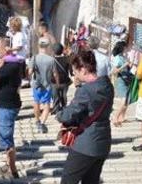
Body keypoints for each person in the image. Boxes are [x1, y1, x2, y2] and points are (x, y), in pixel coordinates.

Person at [57, 50, 113, 184]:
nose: (74, 75)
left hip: (85, 144)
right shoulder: (107, 84)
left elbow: (68, 115)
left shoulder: (85, 91)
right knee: (91, 180)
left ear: (83, 70)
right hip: (103, 142)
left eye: (75, 72)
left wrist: (60, 114)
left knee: (68, 180)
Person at [0, 36, 24, 179]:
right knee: (7, 136)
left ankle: (11, 168)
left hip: (7, 105)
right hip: (10, 102)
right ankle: (10, 167)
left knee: (5, 138)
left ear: (6, 49)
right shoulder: (16, 62)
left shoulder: (9, 66)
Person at [29, 41, 56, 133]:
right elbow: (55, 74)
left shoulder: (34, 58)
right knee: (47, 104)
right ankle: (43, 123)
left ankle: (37, 120)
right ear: (47, 47)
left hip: (36, 84)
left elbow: (30, 71)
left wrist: (29, 77)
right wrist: (57, 82)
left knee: (36, 102)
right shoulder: (51, 59)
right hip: (47, 85)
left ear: (38, 47)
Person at [110, 41, 133, 126]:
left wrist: (129, 65)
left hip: (127, 79)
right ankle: (115, 117)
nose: (127, 48)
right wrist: (125, 65)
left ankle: (122, 117)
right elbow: (114, 71)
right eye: (125, 47)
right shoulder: (117, 58)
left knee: (127, 100)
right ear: (122, 48)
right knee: (124, 101)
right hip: (121, 81)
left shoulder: (123, 57)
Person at [51, 43, 72, 114]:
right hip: (64, 81)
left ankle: (56, 109)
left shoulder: (52, 60)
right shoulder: (66, 59)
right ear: (62, 50)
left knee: (55, 96)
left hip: (54, 81)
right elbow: (71, 71)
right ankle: (64, 107)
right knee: (64, 95)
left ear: (53, 51)